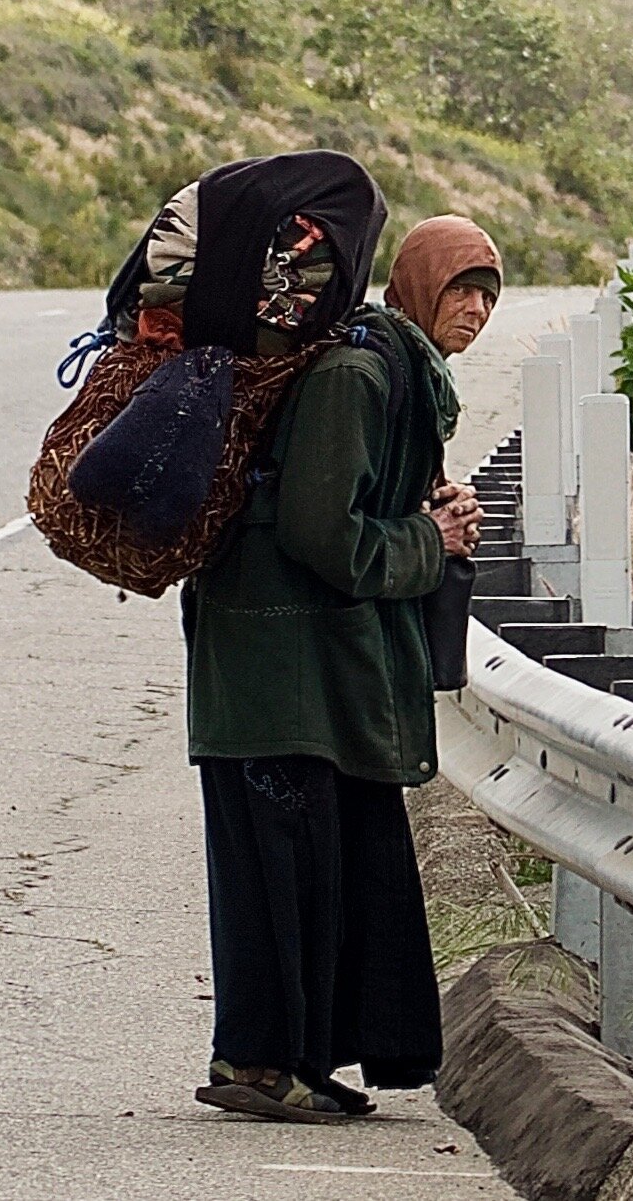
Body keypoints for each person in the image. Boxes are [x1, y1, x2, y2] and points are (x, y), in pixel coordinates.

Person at [184, 200, 502, 1123]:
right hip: (274, 672)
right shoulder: (361, 372)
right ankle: (255, 1062)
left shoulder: (397, 371)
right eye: (461, 290)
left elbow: (352, 503)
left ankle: (296, 1060)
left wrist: (427, 510)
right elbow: (324, 533)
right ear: (415, 285)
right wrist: (425, 539)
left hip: (309, 671)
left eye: (487, 295)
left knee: (319, 872)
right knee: (276, 875)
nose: (475, 311)